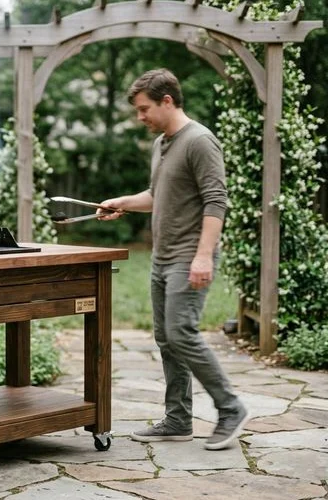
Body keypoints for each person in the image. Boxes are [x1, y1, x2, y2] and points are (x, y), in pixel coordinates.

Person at [98, 68, 250, 451]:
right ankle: (179, 419)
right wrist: (121, 203)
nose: (140, 117)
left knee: (181, 332)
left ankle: (231, 408)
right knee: (167, 338)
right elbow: (156, 195)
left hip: (189, 256)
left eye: (144, 109)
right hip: (162, 258)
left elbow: (216, 201)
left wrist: (204, 257)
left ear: (167, 100)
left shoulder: (199, 141)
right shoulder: (161, 144)